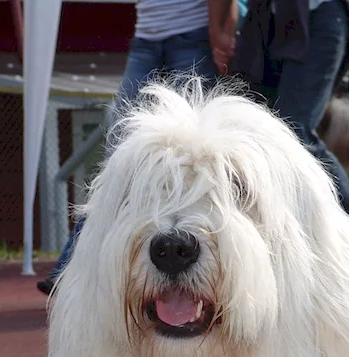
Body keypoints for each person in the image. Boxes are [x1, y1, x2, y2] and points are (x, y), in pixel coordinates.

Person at [37, 0, 225, 296]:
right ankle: (71, 267)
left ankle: (211, 256)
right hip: (146, 38)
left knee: (198, 157)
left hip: (193, 35)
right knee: (118, 162)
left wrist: (218, 31)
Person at [227, 0, 349, 247]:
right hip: (269, 20)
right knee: (257, 129)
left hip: (320, 16)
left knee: (293, 131)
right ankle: (280, 235)